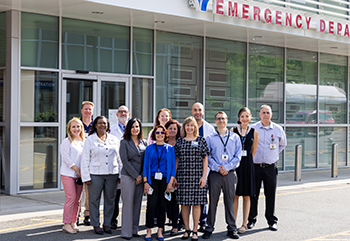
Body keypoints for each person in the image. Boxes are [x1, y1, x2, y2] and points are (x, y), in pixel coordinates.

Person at [202, 111, 242, 240]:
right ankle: (209, 228)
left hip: (230, 174)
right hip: (215, 174)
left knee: (229, 201)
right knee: (212, 201)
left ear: (227, 120)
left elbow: (238, 157)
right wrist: (218, 168)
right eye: (218, 119)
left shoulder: (235, 137)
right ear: (215, 121)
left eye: (223, 118)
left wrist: (227, 167)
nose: (221, 120)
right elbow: (208, 156)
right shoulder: (210, 138)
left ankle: (231, 228)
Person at [247, 105, 287, 231]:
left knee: (270, 194)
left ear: (271, 114)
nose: (265, 115)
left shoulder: (278, 129)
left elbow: (282, 145)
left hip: (270, 167)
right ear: (259, 114)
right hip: (255, 166)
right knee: (254, 194)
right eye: (263, 112)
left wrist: (273, 156)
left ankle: (271, 220)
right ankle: (251, 219)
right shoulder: (253, 128)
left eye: (268, 112)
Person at [81, 116, 122, 235]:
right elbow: (85, 159)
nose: (102, 125)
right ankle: (96, 224)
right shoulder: (90, 139)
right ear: (95, 125)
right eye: (100, 123)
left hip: (112, 174)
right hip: (95, 175)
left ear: (108, 125)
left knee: (110, 200)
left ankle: (107, 224)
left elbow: (119, 158)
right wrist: (86, 177)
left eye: (104, 123)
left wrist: (120, 174)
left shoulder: (114, 139)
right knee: (94, 200)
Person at [175, 116, 209, 241]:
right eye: (187, 125)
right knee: (184, 205)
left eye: (192, 125)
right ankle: (187, 229)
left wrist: (204, 176)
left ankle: (195, 230)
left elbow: (205, 159)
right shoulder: (180, 141)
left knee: (196, 205)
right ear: (184, 127)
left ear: (195, 127)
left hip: (198, 177)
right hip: (183, 177)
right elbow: (177, 160)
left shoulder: (201, 140)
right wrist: (174, 177)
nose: (189, 128)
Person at [143, 125, 176, 241]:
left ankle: (160, 230)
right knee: (151, 205)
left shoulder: (170, 149)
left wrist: (170, 182)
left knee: (162, 206)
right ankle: (149, 230)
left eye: (162, 132)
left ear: (165, 134)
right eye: (157, 133)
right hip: (152, 179)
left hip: (165, 180)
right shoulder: (149, 148)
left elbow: (173, 167)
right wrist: (146, 182)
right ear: (154, 135)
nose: (160, 134)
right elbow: (145, 166)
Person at [232, 107, 259, 234]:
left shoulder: (254, 132)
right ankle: (233, 223)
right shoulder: (233, 131)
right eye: (242, 116)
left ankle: (244, 224)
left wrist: (247, 161)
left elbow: (253, 151)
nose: (244, 118)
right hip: (236, 166)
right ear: (239, 118)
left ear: (250, 117)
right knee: (235, 195)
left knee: (247, 196)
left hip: (248, 166)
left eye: (247, 116)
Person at [120, 118, 147, 240]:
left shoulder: (144, 143)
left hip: (141, 177)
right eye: (132, 127)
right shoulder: (124, 142)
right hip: (128, 176)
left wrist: (141, 175)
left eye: (137, 126)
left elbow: (146, 161)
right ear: (128, 129)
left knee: (137, 204)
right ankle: (126, 232)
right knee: (128, 204)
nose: (135, 129)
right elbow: (124, 161)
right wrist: (135, 175)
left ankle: (134, 229)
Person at [191, 102, 215, 232]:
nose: (197, 112)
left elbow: (211, 149)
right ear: (192, 111)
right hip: (189, 167)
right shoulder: (188, 126)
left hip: (204, 166)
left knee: (202, 194)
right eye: (195, 110)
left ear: (203, 111)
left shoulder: (209, 128)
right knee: (188, 193)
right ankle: (184, 221)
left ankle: (202, 221)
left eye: (199, 110)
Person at [60, 117, 85, 234]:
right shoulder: (66, 141)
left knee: (77, 201)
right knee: (71, 198)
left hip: (80, 176)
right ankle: (66, 224)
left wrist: (82, 171)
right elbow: (66, 159)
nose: (76, 129)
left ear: (81, 128)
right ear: (69, 129)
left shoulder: (84, 141)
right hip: (68, 174)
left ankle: (73, 222)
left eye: (78, 126)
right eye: (73, 127)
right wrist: (77, 169)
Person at [110, 105, 130, 230]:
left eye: (125, 112)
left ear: (129, 114)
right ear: (116, 115)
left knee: (128, 198)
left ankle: (128, 223)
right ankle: (113, 220)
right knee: (115, 198)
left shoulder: (133, 128)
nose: (123, 113)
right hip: (116, 168)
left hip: (129, 170)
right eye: (120, 112)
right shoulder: (111, 130)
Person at [164, 120, 182, 236]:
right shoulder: (162, 141)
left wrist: (173, 176)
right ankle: (168, 220)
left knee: (175, 201)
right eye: (170, 128)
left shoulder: (180, 142)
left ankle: (176, 225)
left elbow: (177, 160)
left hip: (177, 176)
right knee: (165, 201)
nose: (172, 130)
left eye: (174, 128)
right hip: (163, 175)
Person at [79, 101, 94, 226]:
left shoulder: (96, 125)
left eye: (90, 109)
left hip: (92, 162)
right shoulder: (77, 124)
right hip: (78, 161)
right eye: (86, 109)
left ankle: (87, 214)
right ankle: (75, 215)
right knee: (77, 191)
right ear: (81, 111)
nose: (88, 111)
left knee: (89, 190)